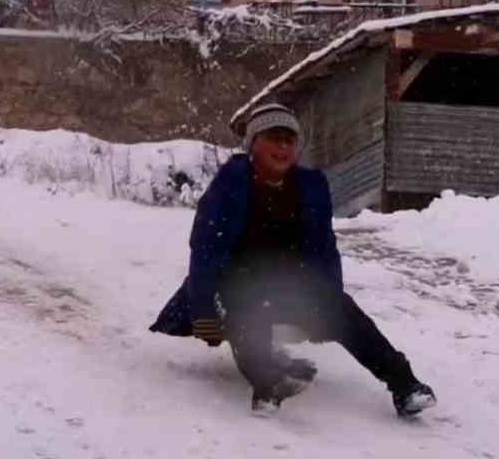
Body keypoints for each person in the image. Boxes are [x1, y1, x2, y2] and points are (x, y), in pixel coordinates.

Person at [148, 103, 437, 418]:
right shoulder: (231, 182)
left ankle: (404, 385)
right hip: (231, 283)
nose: (283, 147)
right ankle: (267, 384)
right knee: (247, 302)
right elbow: (205, 249)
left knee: (343, 309)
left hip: (289, 281)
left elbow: (326, 249)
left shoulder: (311, 186)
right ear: (253, 143)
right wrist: (203, 309)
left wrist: (329, 301)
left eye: (289, 139)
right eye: (274, 137)